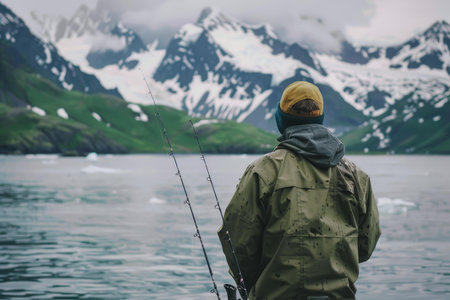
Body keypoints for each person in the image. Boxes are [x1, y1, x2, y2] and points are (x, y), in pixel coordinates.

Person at [218, 81, 381, 300]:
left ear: (282, 120)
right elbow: (366, 244)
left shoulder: (263, 172)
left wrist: (256, 283)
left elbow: (237, 242)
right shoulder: (355, 176)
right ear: (320, 119)